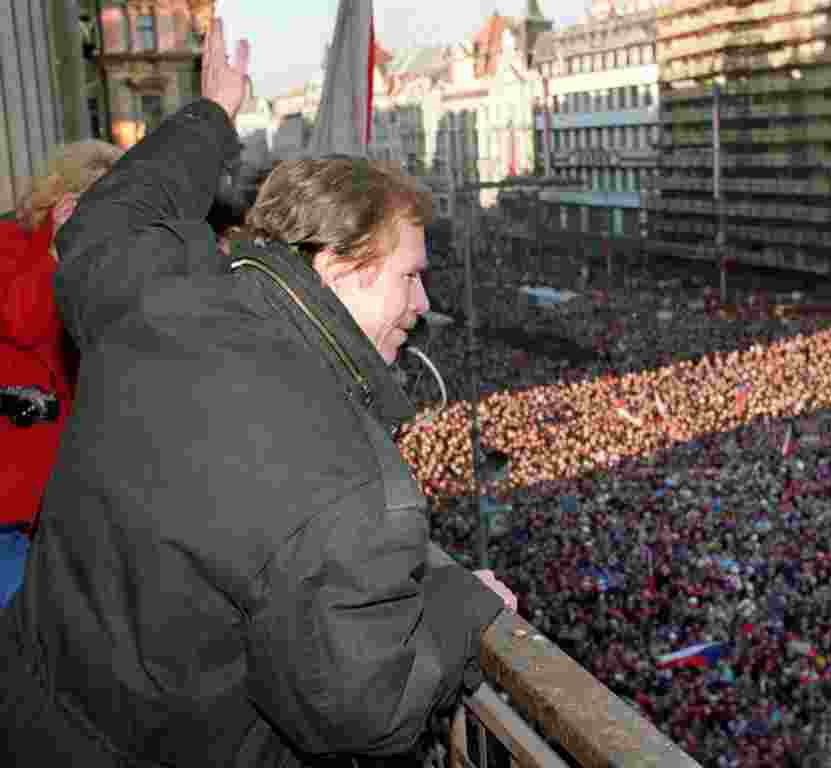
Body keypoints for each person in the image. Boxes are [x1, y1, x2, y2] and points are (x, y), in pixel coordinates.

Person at [0, 18, 515, 768]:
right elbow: (370, 710)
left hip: (32, 710)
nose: (422, 301)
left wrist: (211, 110)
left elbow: (111, 215)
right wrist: (465, 605)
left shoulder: (160, 301)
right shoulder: (353, 489)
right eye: (410, 273)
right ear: (340, 264)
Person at [0, 139, 123, 530]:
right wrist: (55, 250)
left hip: (80, 485)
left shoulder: (102, 264)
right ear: (65, 203)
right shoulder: (10, 245)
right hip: (19, 490)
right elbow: (22, 325)